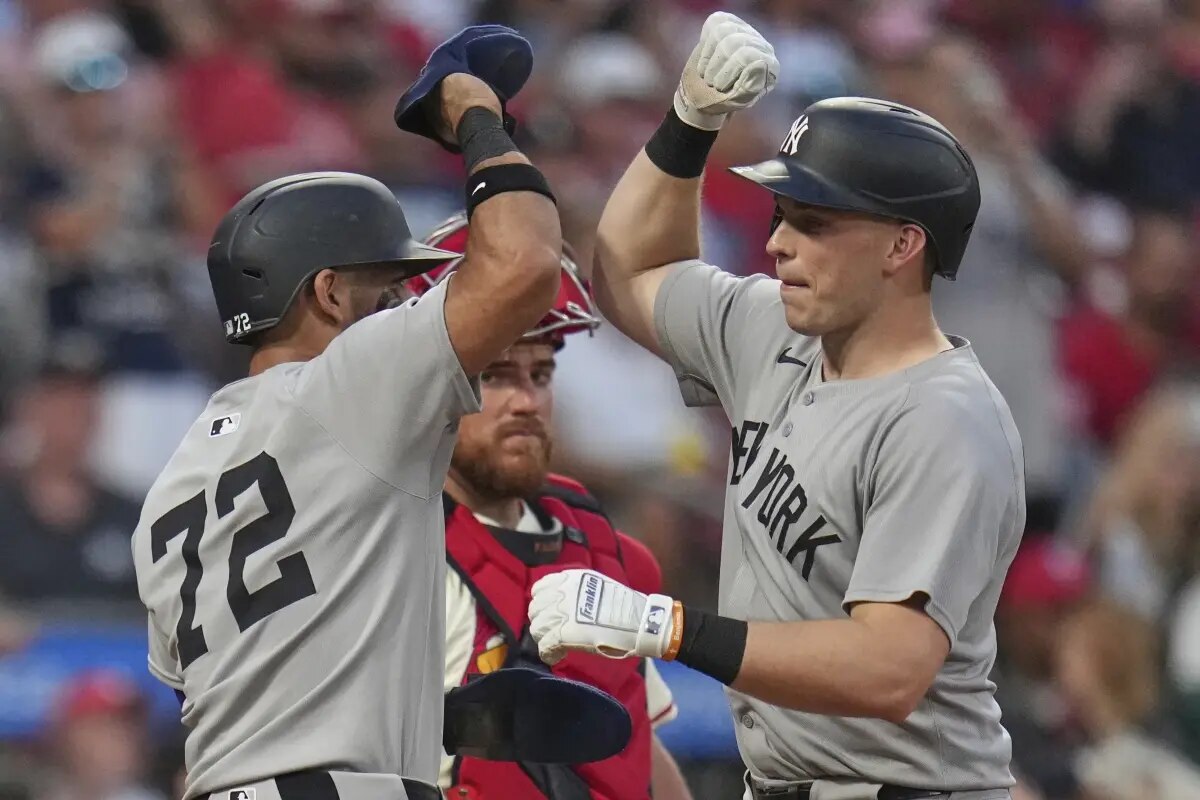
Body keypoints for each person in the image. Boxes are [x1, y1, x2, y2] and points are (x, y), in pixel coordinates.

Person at [528, 11, 1025, 800]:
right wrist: (691, 121)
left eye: (815, 223)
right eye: (782, 216)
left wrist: (668, 626)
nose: (778, 244)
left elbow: (889, 670)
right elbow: (628, 273)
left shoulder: (944, 420)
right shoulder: (776, 328)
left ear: (903, 246)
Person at [130, 56, 563, 800]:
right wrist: (474, 113)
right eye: (389, 288)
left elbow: (221, 683)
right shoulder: (349, 383)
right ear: (330, 294)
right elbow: (526, 263)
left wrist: (431, 712)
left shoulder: (173, 483)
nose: (404, 305)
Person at [410, 214, 692, 800]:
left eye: (540, 374)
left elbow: (638, 750)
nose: (526, 402)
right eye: (495, 376)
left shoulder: (597, 542)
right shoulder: (387, 548)